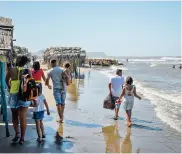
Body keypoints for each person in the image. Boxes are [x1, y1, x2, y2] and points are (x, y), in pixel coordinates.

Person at [6, 55, 37, 144]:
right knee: (23, 118)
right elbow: (31, 84)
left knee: (14, 117)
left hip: (13, 95)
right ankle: (22, 138)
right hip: (24, 96)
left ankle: (17, 133)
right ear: (25, 62)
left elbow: (6, 80)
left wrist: (9, 86)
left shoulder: (11, 70)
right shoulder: (28, 71)